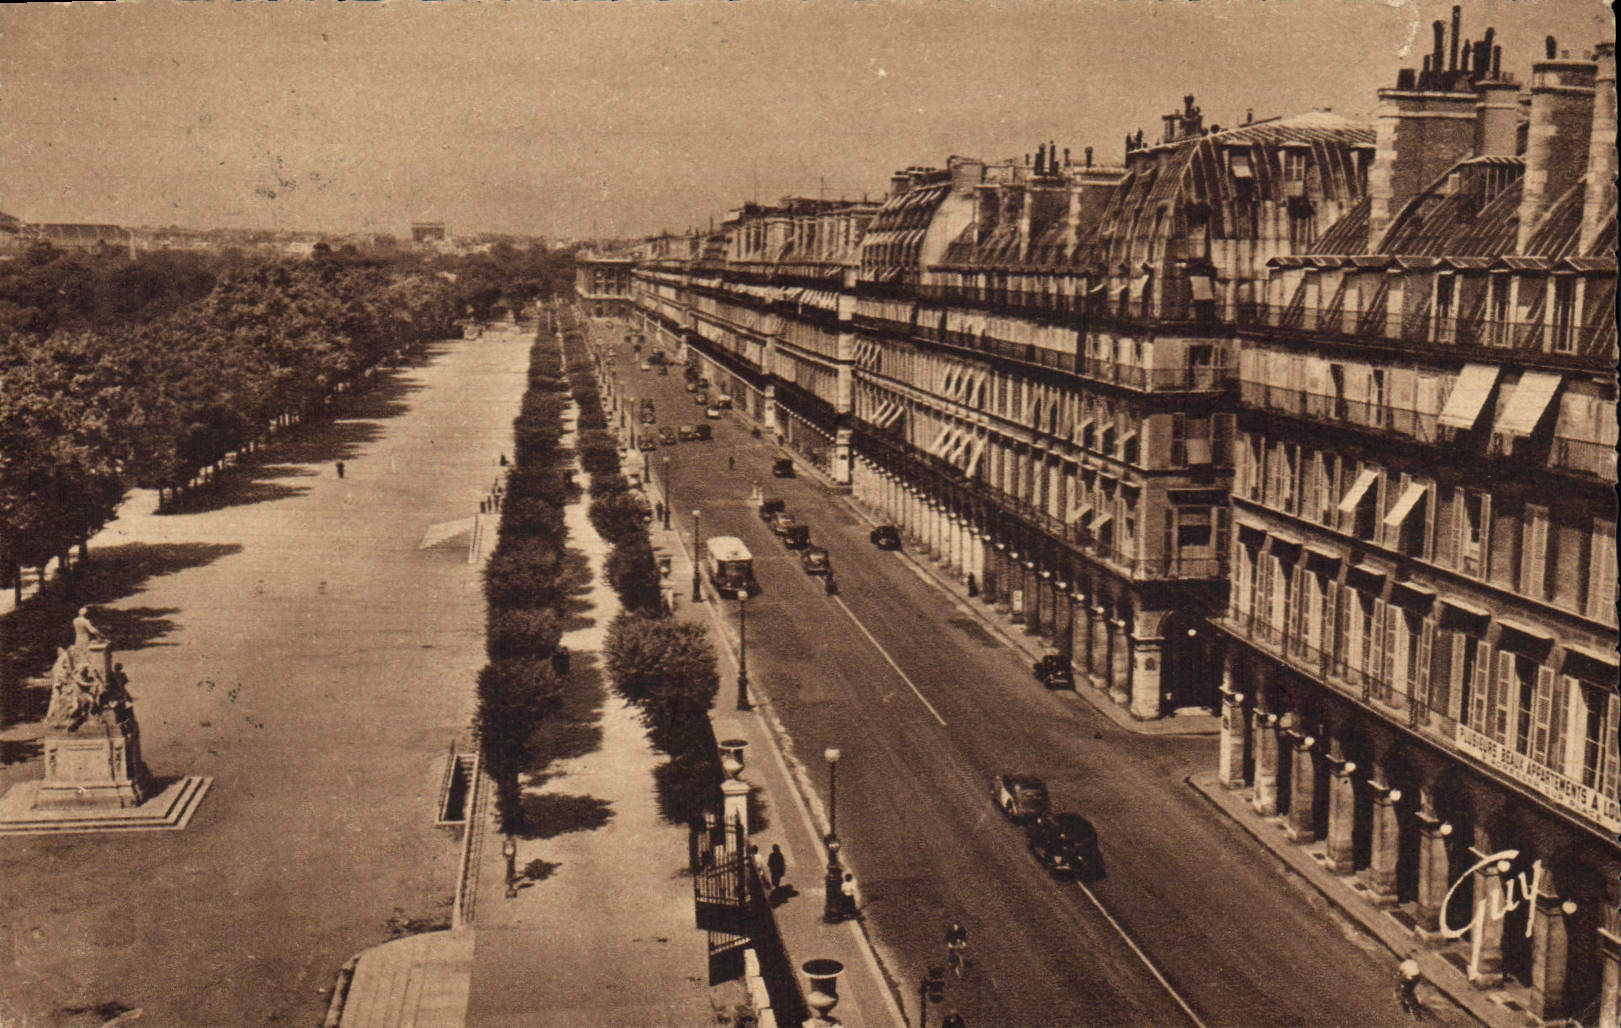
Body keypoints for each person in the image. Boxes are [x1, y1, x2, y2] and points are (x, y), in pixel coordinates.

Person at [1398, 950, 1423, 1016]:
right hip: (1417, 977)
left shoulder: (1404, 964)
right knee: (1411, 989)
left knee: (1405, 992)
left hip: (1411, 978)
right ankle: (1418, 1002)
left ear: (1406, 958)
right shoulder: (1414, 963)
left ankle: (1408, 1006)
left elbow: (1400, 972)